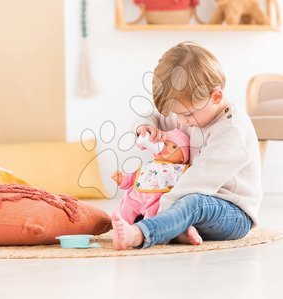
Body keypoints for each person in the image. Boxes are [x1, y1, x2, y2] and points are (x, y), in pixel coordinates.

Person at [112, 41, 262, 250]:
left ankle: (141, 234)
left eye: (186, 114)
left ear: (216, 96)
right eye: (176, 114)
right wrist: (146, 127)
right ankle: (177, 229)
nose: (181, 122)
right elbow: (154, 116)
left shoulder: (231, 130)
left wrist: (161, 211)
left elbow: (197, 180)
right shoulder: (194, 114)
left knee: (192, 203)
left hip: (232, 212)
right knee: (151, 201)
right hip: (188, 198)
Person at [111, 129, 190, 225]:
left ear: (183, 158)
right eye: (164, 144)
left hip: (155, 201)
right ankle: (121, 225)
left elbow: (184, 187)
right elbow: (133, 179)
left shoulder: (179, 170)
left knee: (153, 216)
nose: (167, 148)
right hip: (135, 196)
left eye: (174, 147)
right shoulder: (148, 165)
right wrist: (122, 180)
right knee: (125, 207)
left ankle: (145, 231)